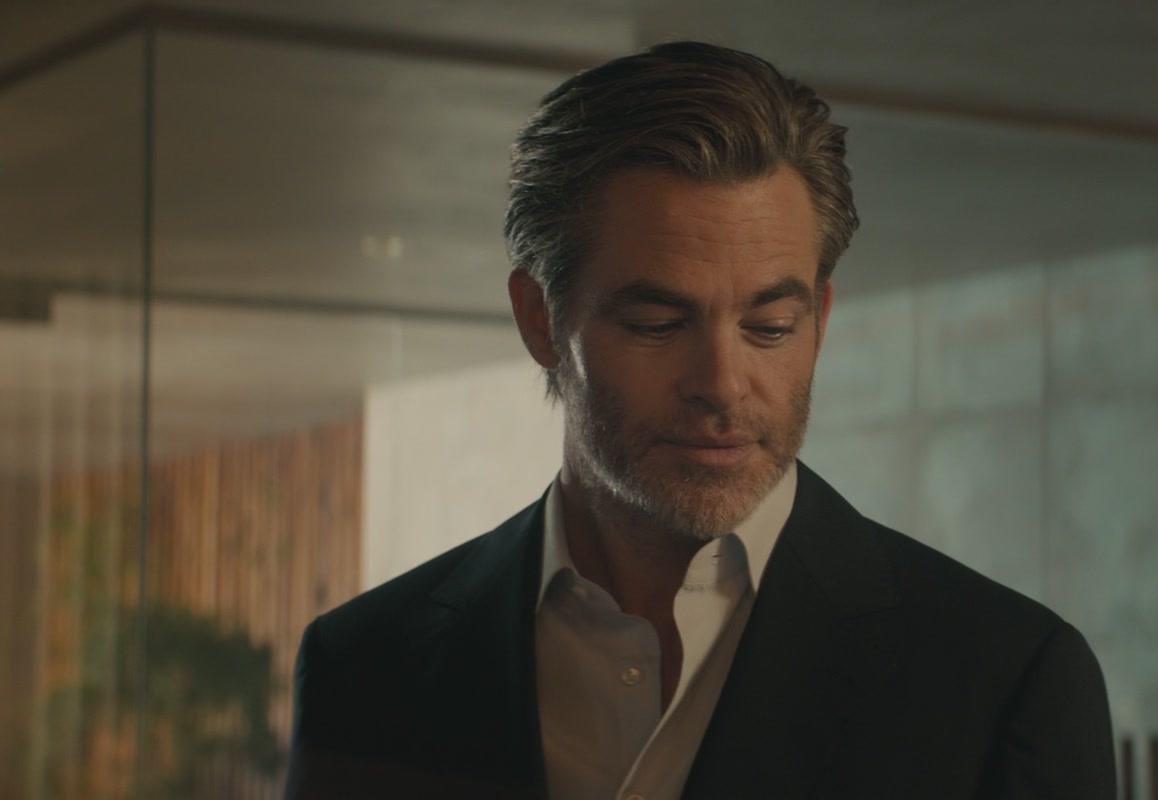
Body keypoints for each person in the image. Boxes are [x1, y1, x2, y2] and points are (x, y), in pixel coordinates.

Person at [284, 41, 1115, 800]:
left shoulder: (1005, 680)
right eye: (657, 324)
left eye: (771, 327)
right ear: (540, 320)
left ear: (820, 319)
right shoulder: (365, 667)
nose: (722, 384)